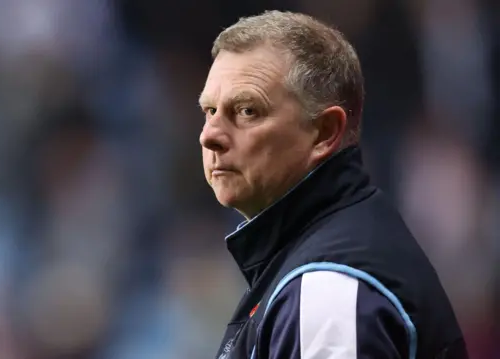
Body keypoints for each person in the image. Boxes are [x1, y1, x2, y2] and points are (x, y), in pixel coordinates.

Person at [198, 10, 468, 359]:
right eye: (209, 111)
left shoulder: (328, 290)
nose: (210, 136)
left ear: (324, 133)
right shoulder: (325, 251)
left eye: (247, 110)